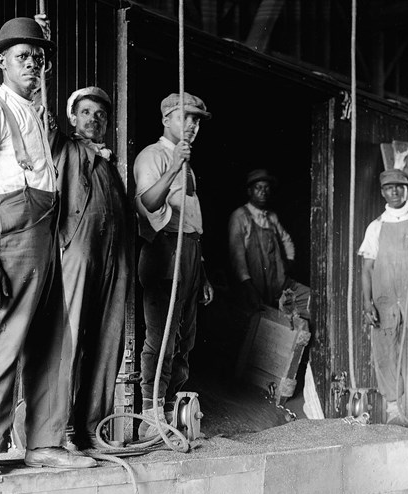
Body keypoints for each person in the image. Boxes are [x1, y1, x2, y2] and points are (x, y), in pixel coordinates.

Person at [0, 17, 96, 474]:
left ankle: (44, 442)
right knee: (4, 338)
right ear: (2, 62)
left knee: (53, 338)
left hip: (47, 235)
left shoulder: (35, 114)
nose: (33, 63)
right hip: (12, 237)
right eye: (22, 56)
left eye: (39, 56)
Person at [50, 86, 129, 452]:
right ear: (72, 118)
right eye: (85, 113)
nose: (93, 120)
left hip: (115, 260)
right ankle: (62, 429)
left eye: (100, 115)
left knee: (108, 341)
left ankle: (92, 429)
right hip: (80, 253)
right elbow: (41, 116)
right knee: (72, 338)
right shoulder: (66, 147)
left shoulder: (111, 164)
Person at [133, 92, 214, 435]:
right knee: (162, 336)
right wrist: (175, 166)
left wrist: (204, 273)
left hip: (190, 252)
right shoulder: (153, 155)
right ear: (166, 119)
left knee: (185, 340)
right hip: (164, 250)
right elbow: (148, 203)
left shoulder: (186, 161)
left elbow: (192, 221)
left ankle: (171, 408)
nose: (193, 125)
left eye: (197, 120)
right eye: (186, 118)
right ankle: (151, 417)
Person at [358, 169, 408, 425]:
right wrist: (367, 302)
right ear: (382, 192)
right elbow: (367, 268)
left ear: (407, 188)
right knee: (386, 354)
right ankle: (394, 411)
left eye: (399, 187)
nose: (394, 192)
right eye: (389, 188)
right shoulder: (375, 226)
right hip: (385, 301)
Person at [228, 169, 310, 319]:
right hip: (254, 287)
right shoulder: (240, 216)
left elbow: (287, 240)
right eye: (258, 188)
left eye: (266, 188)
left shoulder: (271, 217)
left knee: (312, 299)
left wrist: (289, 262)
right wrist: (249, 288)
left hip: (280, 285)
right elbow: (237, 257)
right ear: (249, 191)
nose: (263, 192)